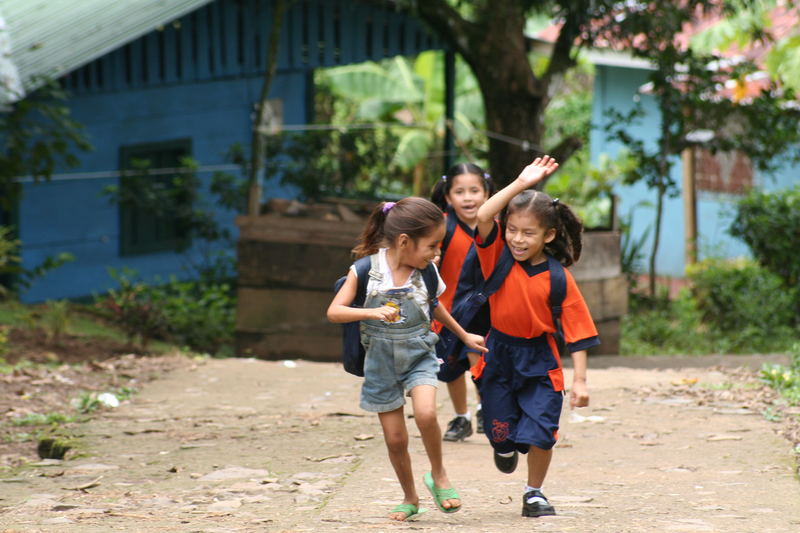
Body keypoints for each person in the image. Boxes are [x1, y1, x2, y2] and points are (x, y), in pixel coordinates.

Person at [327, 197, 488, 522]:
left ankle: (439, 476)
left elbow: (435, 305)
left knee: (427, 414)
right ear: (404, 241)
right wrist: (371, 312)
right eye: (432, 245)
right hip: (380, 364)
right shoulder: (365, 270)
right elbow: (334, 311)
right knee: (395, 439)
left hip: (419, 355)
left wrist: (463, 334)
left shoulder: (426, 272)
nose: (436, 253)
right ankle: (410, 497)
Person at [473, 156, 599, 518]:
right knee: (501, 433)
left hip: (540, 360)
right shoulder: (495, 256)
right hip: (498, 355)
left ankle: (534, 493)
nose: (516, 238)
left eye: (528, 233)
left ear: (549, 235)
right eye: (512, 229)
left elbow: (578, 333)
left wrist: (581, 382)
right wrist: (520, 184)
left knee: (541, 432)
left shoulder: (559, 279)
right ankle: (504, 446)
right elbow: (483, 217)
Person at [429, 163, 495, 442]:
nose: (468, 198)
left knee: (483, 360)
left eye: (474, 191)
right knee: (450, 368)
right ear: (447, 196)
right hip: (449, 310)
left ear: (487, 193)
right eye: (459, 191)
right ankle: (461, 416)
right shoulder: (440, 226)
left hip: (487, 309)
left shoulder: (495, 226)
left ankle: (485, 409)